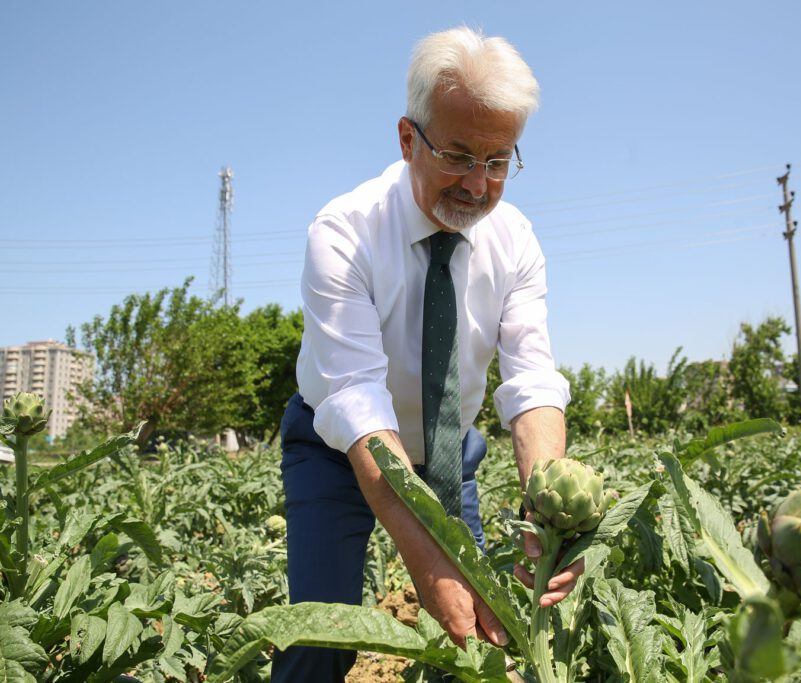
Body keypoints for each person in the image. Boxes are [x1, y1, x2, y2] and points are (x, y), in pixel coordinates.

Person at [273, 26, 576, 682]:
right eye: (460, 155)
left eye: (499, 161)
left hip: (444, 452)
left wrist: (549, 510)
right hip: (336, 454)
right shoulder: (344, 234)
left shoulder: (516, 242)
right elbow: (355, 405)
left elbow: (531, 381)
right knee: (320, 632)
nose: (479, 184)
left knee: (472, 644)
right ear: (409, 138)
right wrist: (429, 561)